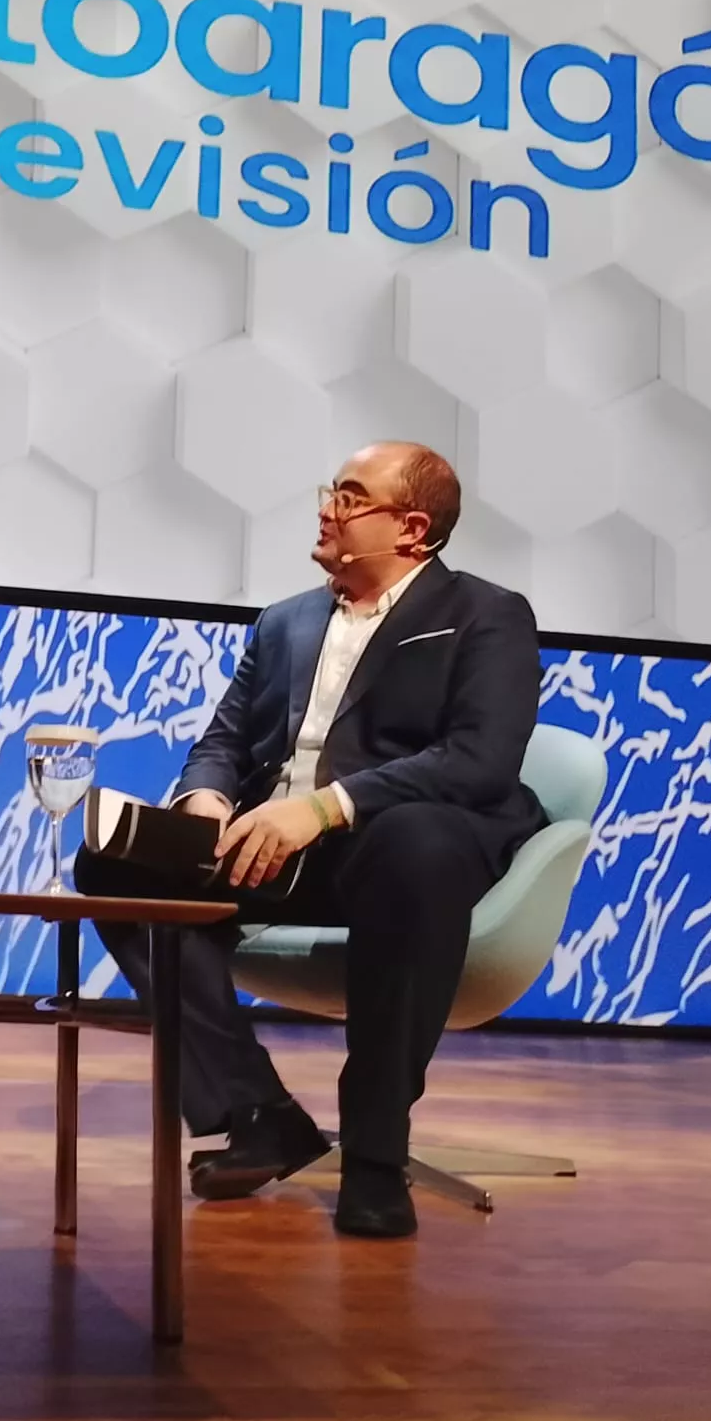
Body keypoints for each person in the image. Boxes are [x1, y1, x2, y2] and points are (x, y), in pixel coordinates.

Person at [74, 442, 546, 1239]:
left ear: (414, 528)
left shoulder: (485, 614)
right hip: (275, 849)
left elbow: (479, 761)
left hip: (388, 841)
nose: (328, 507)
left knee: (417, 846)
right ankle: (258, 1113)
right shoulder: (285, 620)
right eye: (332, 490)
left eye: (352, 496)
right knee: (114, 860)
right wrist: (207, 799)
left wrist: (326, 808)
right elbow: (223, 739)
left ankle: (373, 1155)